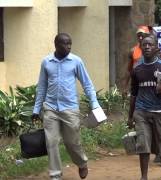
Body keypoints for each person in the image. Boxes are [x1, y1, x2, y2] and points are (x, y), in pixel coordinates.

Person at [32, 33, 101, 180]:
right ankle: (55, 175)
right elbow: (42, 87)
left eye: (70, 43)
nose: (69, 46)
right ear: (56, 44)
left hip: (70, 109)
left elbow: (87, 84)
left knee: (72, 142)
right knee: (51, 142)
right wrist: (36, 109)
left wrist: (94, 104)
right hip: (50, 108)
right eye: (65, 44)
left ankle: (82, 163)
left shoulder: (76, 61)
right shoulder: (46, 62)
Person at [128, 34, 161, 180]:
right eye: (144, 44)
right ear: (140, 47)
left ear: (156, 48)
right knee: (143, 143)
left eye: (150, 45)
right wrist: (130, 116)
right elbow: (133, 93)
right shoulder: (137, 68)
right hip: (141, 111)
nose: (146, 47)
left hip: (159, 111)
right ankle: (144, 176)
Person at [124, 26, 150, 92]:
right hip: (137, 84)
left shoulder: (152, 50)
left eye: (142, 36)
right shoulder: (133, 51)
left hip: (150, 84)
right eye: (138, 36)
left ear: (147, 36)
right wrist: (125, 87)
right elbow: (129, 70)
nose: (140, 38)